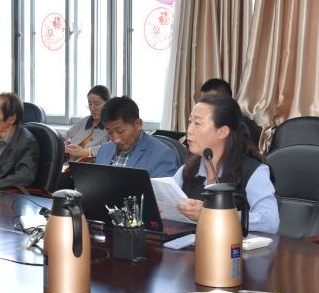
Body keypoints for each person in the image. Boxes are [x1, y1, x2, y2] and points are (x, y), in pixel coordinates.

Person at [172, 95, 279, 234]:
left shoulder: (253, 171)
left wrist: (213, 215)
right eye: (190, 122)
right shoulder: (187, 170)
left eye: (197, 123)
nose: (189, 130)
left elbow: (270, 221)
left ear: (222, 132)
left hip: (234, 246)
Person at [92, 97, 178, 177]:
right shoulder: (104, 150)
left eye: (120, 131)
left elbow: (160, 189)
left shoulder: (162, 154)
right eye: (110, 132)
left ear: (138, 124)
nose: (116, 139)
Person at [197, 78, 262, 146]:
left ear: (227, 101)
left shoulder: (243, 127)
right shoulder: (206, 124)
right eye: (203, 102)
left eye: (210, 101)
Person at [64, 85, 111, 161]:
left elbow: (112, 147)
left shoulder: (112, 125)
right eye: (90, 104)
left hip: (92, 166)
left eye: (97, 104)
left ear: (108, 104)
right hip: (69, 163)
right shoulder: (84, 121)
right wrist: (65, 145)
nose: (92, 108)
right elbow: (64, 136)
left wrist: (86, 152)